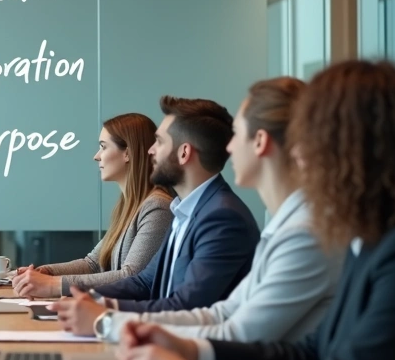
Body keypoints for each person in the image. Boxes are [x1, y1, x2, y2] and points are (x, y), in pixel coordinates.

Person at [118, 60, 395, 360]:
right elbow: (308, 353)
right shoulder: (370, 240)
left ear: (353, 148)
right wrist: (189, 350)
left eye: (310, 139)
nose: (298, 153)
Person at [91, 78, 340, 343]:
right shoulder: (186, 210)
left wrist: (109, 321)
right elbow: (222, 312)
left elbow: (224, 324)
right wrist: (97, 305)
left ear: (260, 141)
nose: (229, 147)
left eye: (238, 134)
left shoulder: (230, 218)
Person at [54, 96, 259, 336]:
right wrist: (89, 299)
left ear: (184, 153)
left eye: (159, 142)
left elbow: (186, 306)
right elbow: (144, 282)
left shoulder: (222, 218)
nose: (150, 150)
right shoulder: (184, 209)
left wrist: (104, 313)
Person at [12, 113, 173, 298]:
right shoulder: (128, 206)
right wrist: (46, 272)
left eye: (103, 147)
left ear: (128, 153)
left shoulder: (157, 207)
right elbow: (93, 264)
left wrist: (53, 284)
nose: (97, 156)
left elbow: (131, 277)